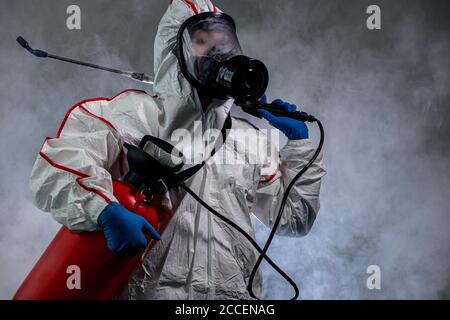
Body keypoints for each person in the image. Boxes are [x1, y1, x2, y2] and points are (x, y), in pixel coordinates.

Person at [29, 0, 326, 300]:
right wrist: (104, 210)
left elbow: (294, 218)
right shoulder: (128, 116)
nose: (217, 52)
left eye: (224, 42)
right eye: (202, 41)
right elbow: (54, 170)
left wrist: (299, 144)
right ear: (175, 52)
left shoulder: (248, 141)